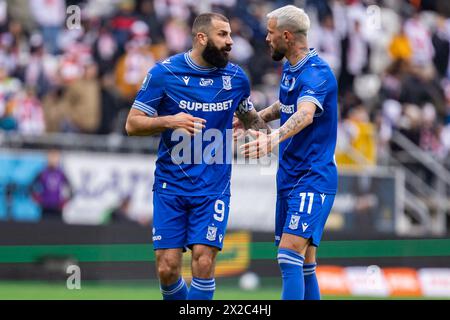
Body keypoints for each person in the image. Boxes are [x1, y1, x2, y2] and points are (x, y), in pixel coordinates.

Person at [125, 12, 268, 300]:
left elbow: (250, 117)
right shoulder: (164, 73)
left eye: (230, 35)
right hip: (171, 186)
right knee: (167, 268)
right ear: (201, 38)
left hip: (213, 187)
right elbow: (132, 124)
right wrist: (169, 121)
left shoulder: (236, 78)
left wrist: (266, 132)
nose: (230, 42)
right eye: (223, 35)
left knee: (204, 260)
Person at [239, 5, 338, 300]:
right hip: (290, 175)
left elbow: (306, 114)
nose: (266, 39)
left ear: (286, 35)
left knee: (288, 256)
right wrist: (257, 116)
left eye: (270, 33)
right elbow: (287, 106)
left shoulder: (318, 73)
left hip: (313, 176)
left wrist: (273, 139)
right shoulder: (291, 69)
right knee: (305, 264)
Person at [31, 150, 73, 222]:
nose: (53, 160)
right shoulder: (43, 172)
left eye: (55, 157)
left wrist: (63, 203)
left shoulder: (61, 173)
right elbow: (31, 188)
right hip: (45, 208)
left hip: (57, 208)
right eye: (51, 157)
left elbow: (71, 190)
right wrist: (39, 200)